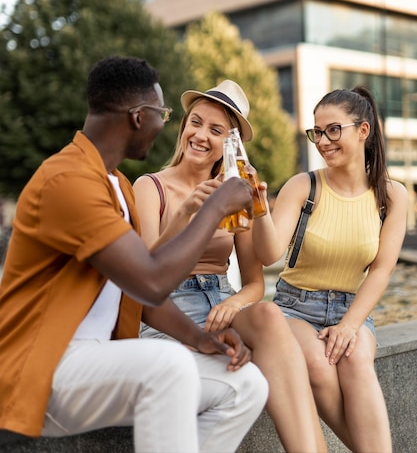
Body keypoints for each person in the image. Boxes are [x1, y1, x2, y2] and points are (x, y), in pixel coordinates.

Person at [0, 56, 269, 453]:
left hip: (95, 361)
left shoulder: (116, 185)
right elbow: (152, 281)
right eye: (162, 113)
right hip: (41, 367)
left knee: (246, 385)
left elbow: (137, 295)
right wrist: (213, 208)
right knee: (168, 364)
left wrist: (202, 339)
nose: (166, 125)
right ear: (138, 117)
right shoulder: (68, 180)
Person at [133, 80, 327, 453]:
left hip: (221, 304)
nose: (200, 135)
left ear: (230, 144)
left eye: (216, 130)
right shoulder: (150, 187)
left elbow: (255, 283)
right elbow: (146, 272)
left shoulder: (235, 192)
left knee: (270, 315)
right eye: (195, 122)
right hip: (169, 310)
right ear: (184, 126)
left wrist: (233, 304)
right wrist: (189, 211)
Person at [253, 86, 408, 453]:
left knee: (355, 359)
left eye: (333, 130)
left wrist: (351, 324)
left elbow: (382, 270)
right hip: (294, 308)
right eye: (317, 132)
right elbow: (268, 253)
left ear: (363, 130)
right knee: (320, 365)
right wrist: (259, 209)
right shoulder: (303, 186)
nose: (322, 141)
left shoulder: (393, 196)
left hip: (353, 308)